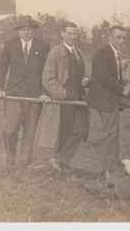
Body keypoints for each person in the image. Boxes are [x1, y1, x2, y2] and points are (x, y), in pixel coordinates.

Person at [86, 25, 130, 178]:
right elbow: (104, 78)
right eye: (118, 37)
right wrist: (122, 90)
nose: (121, 41)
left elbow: (115, 79)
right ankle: (109, 169)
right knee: (112, 131)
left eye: (123, 38)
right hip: (104, 98)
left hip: (114, 94)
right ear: (110, 37)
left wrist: (125, 87)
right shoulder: (102, 53)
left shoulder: (117, 54)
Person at [0, 15, 51, 170]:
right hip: (13, 94)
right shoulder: (10, 45)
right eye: (23, 30)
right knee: (10, 129)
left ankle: (24, 162)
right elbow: (2, 68)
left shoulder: (44, 47)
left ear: (34, 31)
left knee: (30, 130)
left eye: (29, 29)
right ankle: (10, 158)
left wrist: (45, 91)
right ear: (18, 32)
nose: (26, 32)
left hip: (34, 96)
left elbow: (48, 72)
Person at [42, 21, 90, 172]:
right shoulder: (55, 53)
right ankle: (60, 163)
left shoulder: (78, 52)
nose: (72, 36)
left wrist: (86, 80)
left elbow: (82, 74)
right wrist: (63, 94)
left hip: (79, 98)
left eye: (75, 34)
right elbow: (48, 79)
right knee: (64, 131)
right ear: (62, 34)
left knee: (82, 129)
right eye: (69, 33)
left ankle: (59, 160)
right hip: (65, 99)